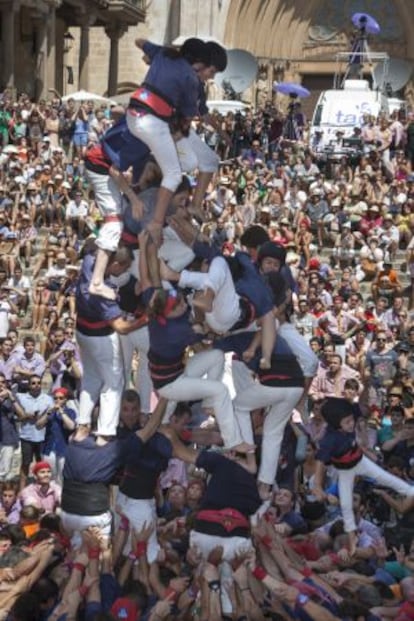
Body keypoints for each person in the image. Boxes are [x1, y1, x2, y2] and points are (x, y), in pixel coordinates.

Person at [126, 37, 212, 246]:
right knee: (175, 173)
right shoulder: (190, 78)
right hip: (152, 121)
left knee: (186, 163)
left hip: (133, 114)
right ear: (199, 63)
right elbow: (187, 119)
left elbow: (139, 41)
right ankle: (156, 222)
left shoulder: (164, 53)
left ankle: (154, 164)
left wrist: (150, 56)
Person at [313, 397, 414, 555]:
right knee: (346, 507)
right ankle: (351, 540)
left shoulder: (349, 416)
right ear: (335, 424)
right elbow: (319, 462)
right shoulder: (330, 439)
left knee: (387, 479)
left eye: (351, 420)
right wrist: (318, 486)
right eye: (347, 422)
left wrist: (361, 389)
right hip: (345, 470)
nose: (351, 424)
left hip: (361, 461)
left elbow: (363, 406)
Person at [76, 246, 149, 443]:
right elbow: (122, 328)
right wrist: (145, 319)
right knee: (113, 384)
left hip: (81, 332)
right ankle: (105, 433)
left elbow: (96, 246)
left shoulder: (90, 262)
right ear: (115, 264)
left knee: (91, 378)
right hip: (100, 339)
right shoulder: (104, 298)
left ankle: (82, 425)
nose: (124, 271)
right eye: (123, 268)